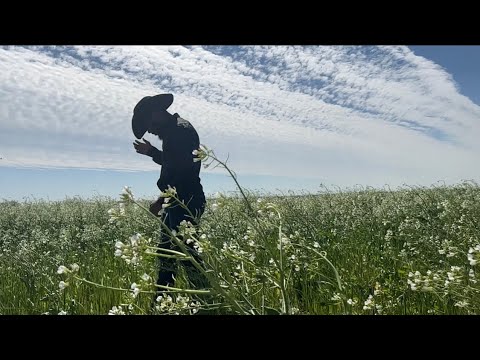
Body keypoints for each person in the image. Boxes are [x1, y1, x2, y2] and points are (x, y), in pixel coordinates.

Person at [131, 93, 207, 292]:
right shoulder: (176, 130)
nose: (150, 130)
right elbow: (173, 160)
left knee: (188, 257)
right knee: (167, 254)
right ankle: (164, 300)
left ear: (156, 113)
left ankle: (204, 300)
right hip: (178, 200)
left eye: (148, 124)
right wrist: (152, 152)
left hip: (184, 200)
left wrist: (160, 202)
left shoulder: (179, 132)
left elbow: (180, 173)